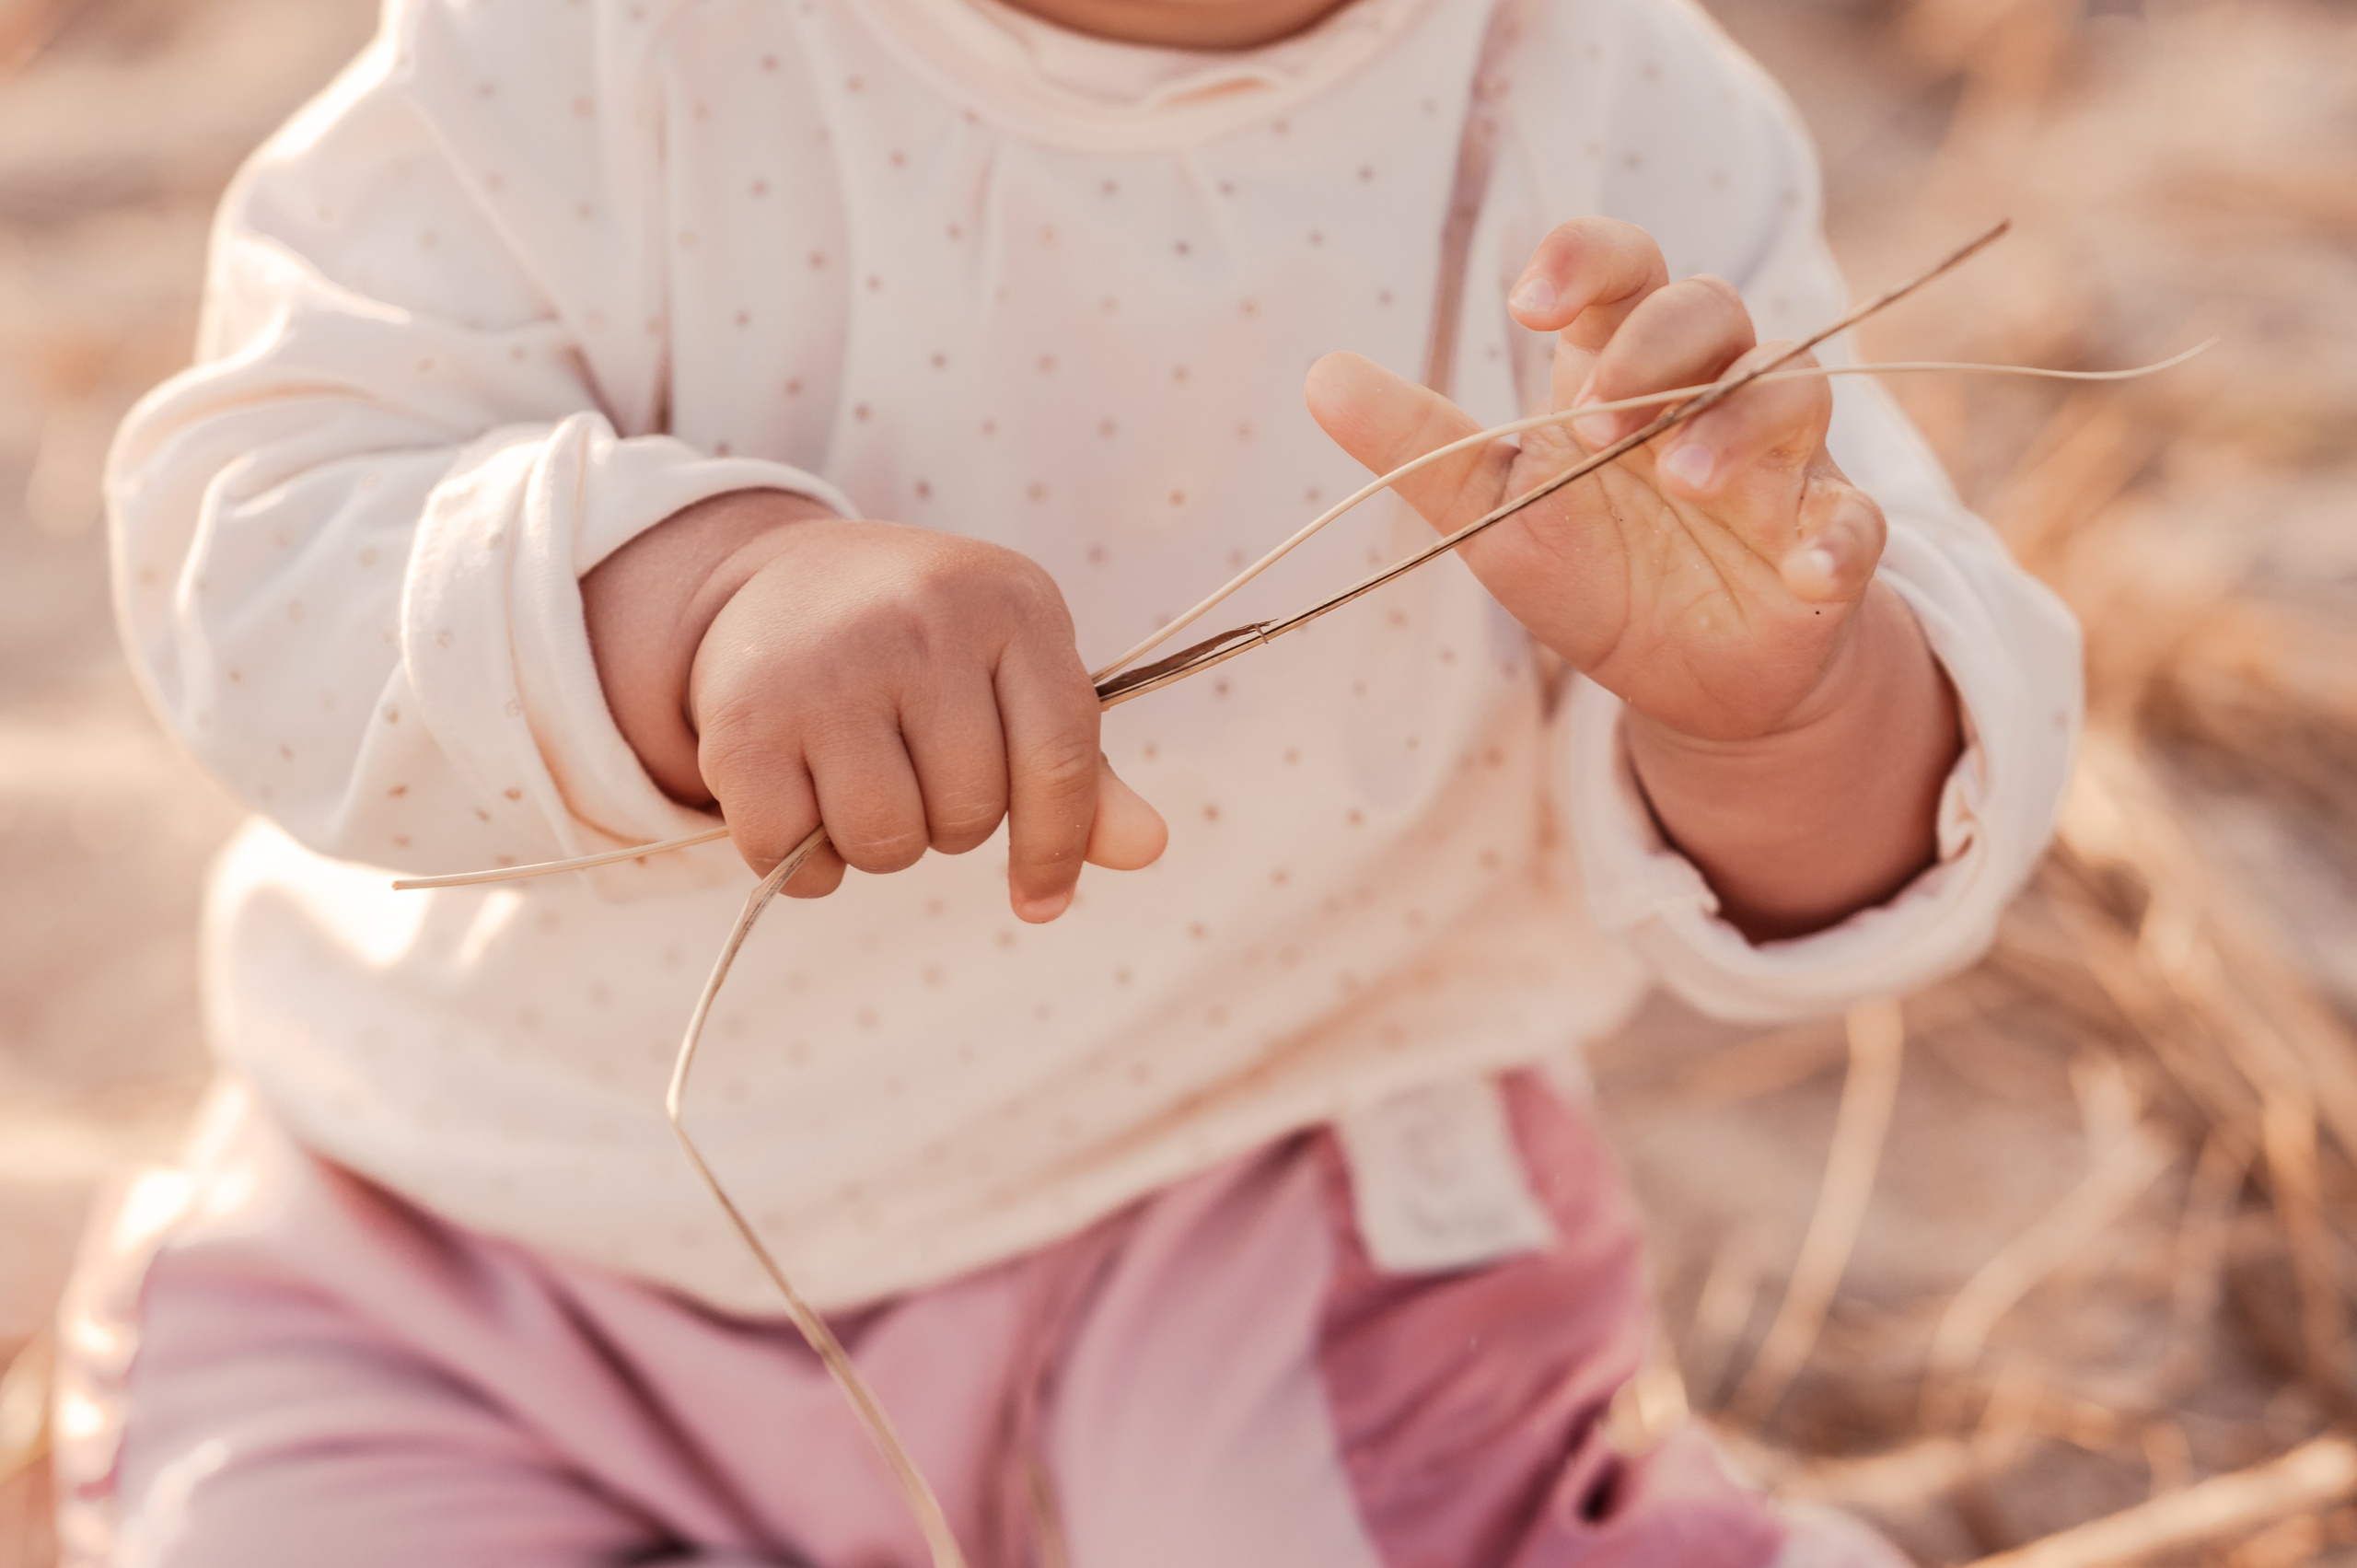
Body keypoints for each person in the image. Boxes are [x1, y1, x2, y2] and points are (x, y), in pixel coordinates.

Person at [58, 0, 2079, 1562]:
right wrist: (694, 604)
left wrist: (1773, 708)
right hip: (484, 1244)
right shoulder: (602, 50)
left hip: (1253, 1196)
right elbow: (257, 543)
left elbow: (1888, 814)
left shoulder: (1610, 111)